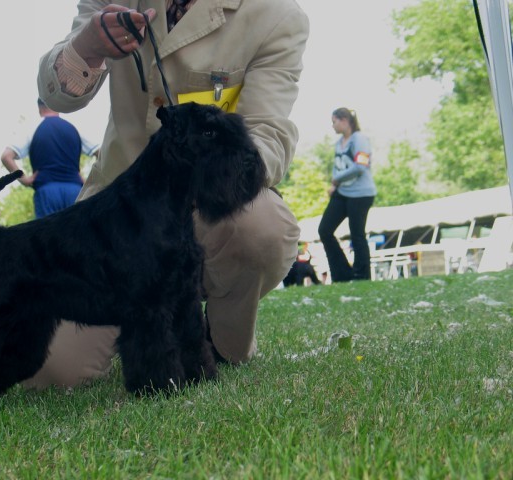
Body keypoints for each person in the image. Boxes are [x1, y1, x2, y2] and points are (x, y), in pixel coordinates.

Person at [24, 1, 309, 388]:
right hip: (117, 217)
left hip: (208, 207)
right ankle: (148, 331)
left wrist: (213, 171)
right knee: (53, 372)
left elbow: (266, 132)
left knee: (263, 229)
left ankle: (219, 341)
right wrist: (87, 47)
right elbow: (58, 97)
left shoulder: (277, 15)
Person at [0, 98, 100, 219]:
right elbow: (101, 153)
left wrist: (24, 180)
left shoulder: (31, 128)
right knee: (76, 234)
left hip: (47, 190)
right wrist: (90, 181)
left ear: (39, 108)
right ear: (57, 104)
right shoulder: (74, 127)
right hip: (74, 189)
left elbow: (6, 156)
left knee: (48, 236)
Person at [318, 107, 377, 282]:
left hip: (361, 194)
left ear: (344, 120)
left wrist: (337, 179)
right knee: (325, 230)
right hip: (342, 193)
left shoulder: (360, 139)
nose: (333, 126)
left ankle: (361, 276)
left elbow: (361, 166)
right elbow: (339, 166)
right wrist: (334, 186)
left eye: (334, 121)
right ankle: (342, 275)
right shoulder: (338, 143)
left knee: (357, 234)